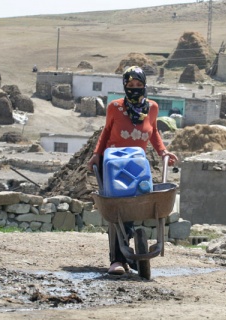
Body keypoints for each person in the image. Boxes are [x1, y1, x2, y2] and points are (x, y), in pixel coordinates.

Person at [87, 66, 178, 275]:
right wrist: (96, 154)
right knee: (118, 209)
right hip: (113, 165)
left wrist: (163, 151)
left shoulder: (152, 108)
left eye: (138, 85)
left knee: (133, 207)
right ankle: (117, 260)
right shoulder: (115, 107)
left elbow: (153, 131)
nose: (134, 89)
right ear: (124, 86)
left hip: (136, 165)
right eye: (130, 85)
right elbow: (106, 132)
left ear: (144, 85)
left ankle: (129, 253)